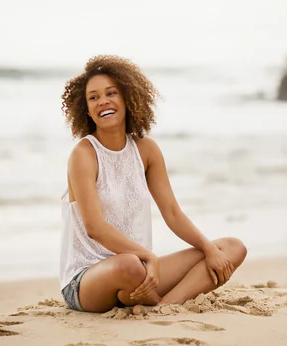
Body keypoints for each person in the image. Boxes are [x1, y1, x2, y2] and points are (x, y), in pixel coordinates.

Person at [59, 55, 247, 313]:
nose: (102, 101)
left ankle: (162, 307)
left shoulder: (146, 150)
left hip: (142, 271)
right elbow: (95, 228)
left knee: (231, 248)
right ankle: (147, 297)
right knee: (129, 265)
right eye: (93, 97)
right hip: (87, 280)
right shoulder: (83, 154)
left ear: (127, 97)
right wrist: (148, 257)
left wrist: (208, 248)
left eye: (111, 93)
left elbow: (171, 212)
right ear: (86, 109)